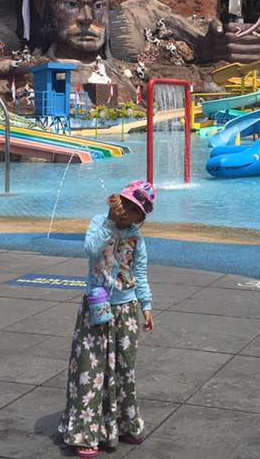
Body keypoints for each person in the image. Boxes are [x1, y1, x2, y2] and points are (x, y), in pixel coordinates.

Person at [60, 180, 157, 458]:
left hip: (126, 309)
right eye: (128, 206)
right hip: (97, 306)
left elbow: (140, 272)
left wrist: (146, 306)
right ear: (117, 202)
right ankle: (86, 432)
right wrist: (110, 226)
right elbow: (91, 250)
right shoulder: (98, 224)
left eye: (136, 211)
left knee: (124, 369)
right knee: (90, 368)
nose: (130, 214)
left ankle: (124, 424)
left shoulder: (137, 238)